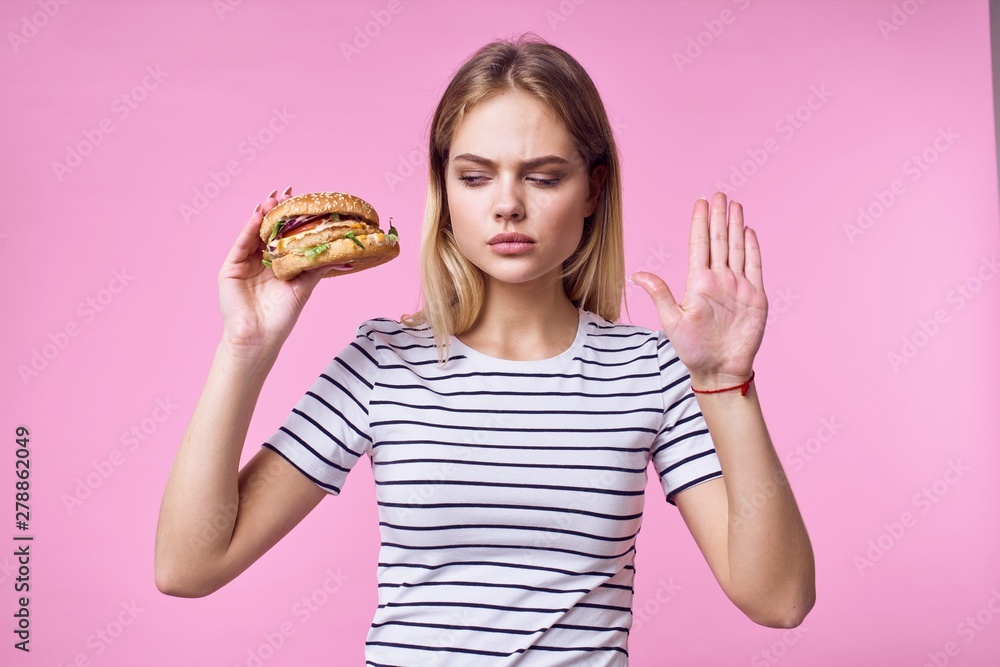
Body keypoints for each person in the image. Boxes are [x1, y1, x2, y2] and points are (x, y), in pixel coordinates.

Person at [155, 34, 815, 665]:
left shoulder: (652, 370)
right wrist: (243, 347)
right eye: (475, 177)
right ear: (444, 192)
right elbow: (189, 565)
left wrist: (726, 382)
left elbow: (779, 599)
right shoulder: (384, 361)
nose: (507, 205)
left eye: (543, 177)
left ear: (593, 188)